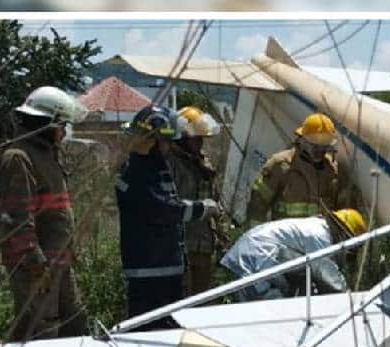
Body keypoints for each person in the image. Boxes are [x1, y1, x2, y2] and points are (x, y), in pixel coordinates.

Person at [0, 86, 89, 341]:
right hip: (36, 268)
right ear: (48, 124)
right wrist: (37, 265)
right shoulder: (19, 157)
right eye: (63, 126)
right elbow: (17, 219)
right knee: (41, 336)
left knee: (75, 327)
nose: (64, 133)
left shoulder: (46, 155)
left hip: (57, 264)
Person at [116, 104, 220, 330]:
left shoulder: (152, 166)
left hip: (164, 263)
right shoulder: (141, 170)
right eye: (166, 142)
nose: (168, 147)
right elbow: (165, 208)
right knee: (150, 332)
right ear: (153, 140)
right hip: (151, 266)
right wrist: (203, 209)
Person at [221, 208, 366, 302]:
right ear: (345, 238)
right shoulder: (321, 238)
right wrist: (351, 300)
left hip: (252, 251)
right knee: (268, 316)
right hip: (257, 257)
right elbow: (329, 275)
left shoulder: (317, 227)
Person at [246, 112, 360, 226]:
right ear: (301, 140)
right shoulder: (281, 165)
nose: (318, 151)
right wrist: (257, 237)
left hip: (320, 241)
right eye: (314, 146)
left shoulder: (334, 172)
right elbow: (258, 204)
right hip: (286, 239)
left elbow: (346, 214)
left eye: (323, 147)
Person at [168, 105, 221, 295]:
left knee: (202, 300)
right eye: (195, 138)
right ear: (182, 137)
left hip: (204, 244)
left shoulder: (203, 163)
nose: (200, 143)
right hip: (181, 245)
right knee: (182, 299)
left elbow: (213, 199)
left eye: (202, 138)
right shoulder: (170, 163)